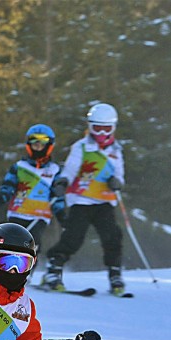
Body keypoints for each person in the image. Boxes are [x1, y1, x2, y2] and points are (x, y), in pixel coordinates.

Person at [40, 102, 127, 295]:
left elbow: (120, 175)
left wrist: (117, 182)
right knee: (74, 237)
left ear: (113, 128)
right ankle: (53, 270)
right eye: (97, 128)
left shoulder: (115, 150)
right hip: (81, 200)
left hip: (104, 201)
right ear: (90, 127)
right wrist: (62, 182)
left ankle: (115, 274)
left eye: (107, 129)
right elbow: (70, 169)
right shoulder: (81, 147)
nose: (102, 134)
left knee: (112, 236)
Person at [0, 123, 67, 249]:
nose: (38, 146)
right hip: (18, 212)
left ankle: (28, 267)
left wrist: (61, 214)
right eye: (35, 142)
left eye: (42, 143)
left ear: (49, 145)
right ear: (29, 145)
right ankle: (3, 266)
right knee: (12, 242)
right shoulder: (19, 167)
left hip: (39, 216)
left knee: (32, 244)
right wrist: (1, 198)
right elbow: (8, 186)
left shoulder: (54, 170)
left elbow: (57, 196)